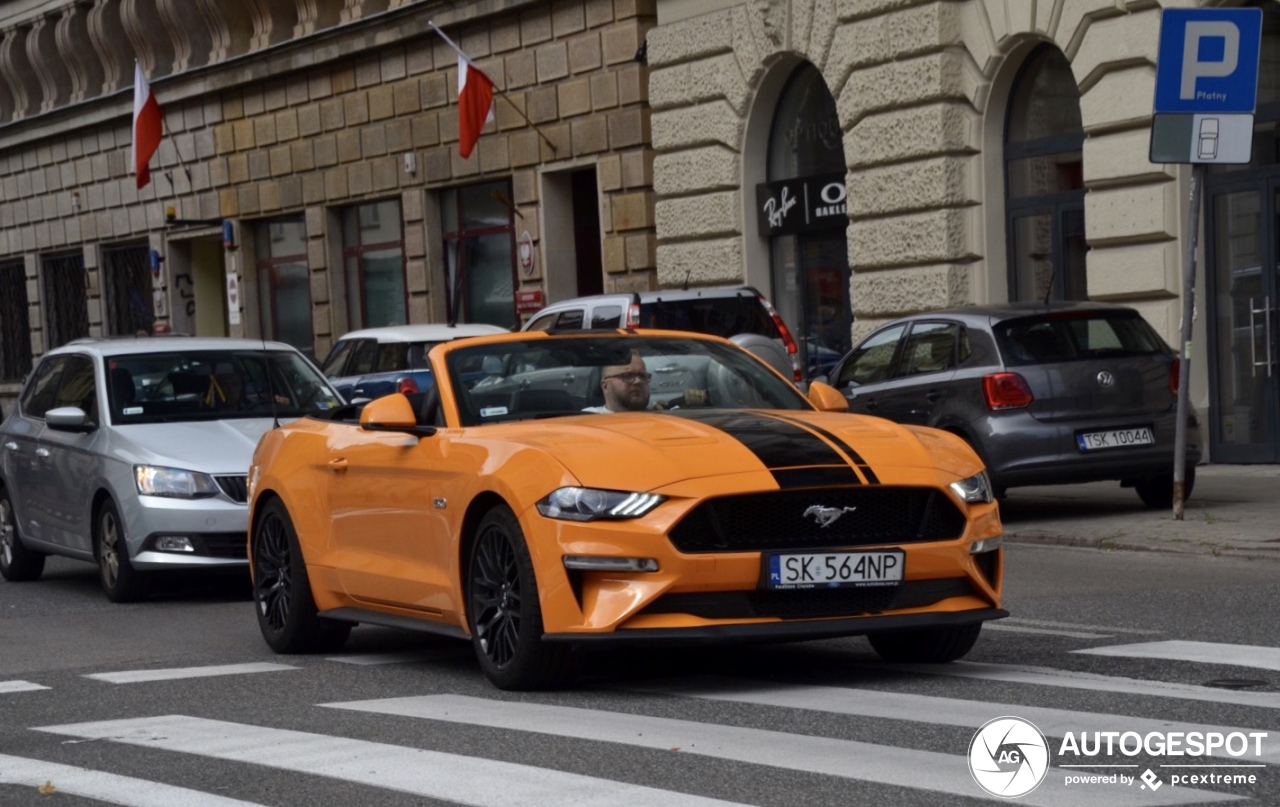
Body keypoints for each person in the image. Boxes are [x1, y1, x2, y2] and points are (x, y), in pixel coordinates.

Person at [583, 352, 706, 413]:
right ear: (605, 386)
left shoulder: (664, 416)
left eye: (642, 376)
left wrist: (695, 405)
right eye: (627, 376)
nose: (638, 381)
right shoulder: (586, 421)